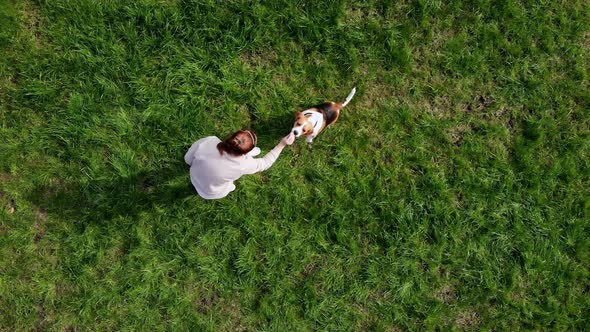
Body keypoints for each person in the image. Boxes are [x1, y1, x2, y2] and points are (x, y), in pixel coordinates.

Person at [184, 130, 295, 199]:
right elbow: (265, 163)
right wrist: (282, 144)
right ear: (244, 153)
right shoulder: (243, 166)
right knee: (231, 186)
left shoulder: (210, 140)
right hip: (209, 192)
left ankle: (248, 152)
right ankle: (231, 186)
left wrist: (190, 163)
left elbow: (188, 158)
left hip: (193, 174)